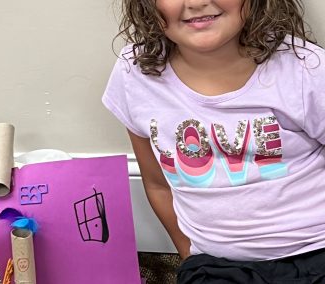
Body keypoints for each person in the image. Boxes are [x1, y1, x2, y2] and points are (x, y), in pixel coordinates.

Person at [102, 0, 325, 283]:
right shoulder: (133, 73)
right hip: (216, 266)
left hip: (317, 250)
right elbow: (158, 185)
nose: (196, 3)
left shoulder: (306, 68)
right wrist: (191, 258)